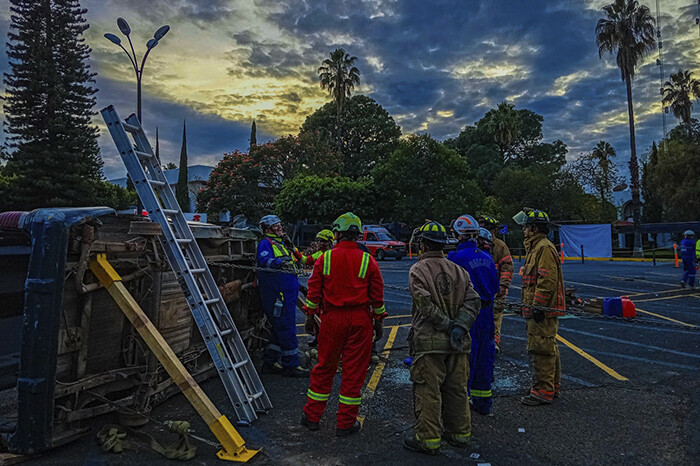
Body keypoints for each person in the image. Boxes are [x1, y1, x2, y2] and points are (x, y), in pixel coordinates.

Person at [301, 212, 386, 437]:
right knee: (353, 371)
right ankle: (345, 423)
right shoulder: (368, 260)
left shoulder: (325, 258)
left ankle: (312, 417)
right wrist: (378, 322)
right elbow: (377, 296)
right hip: (360, 320)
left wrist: (310, 316)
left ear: (337, 233)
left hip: (331, 320)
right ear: (357, 236)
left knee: (324, 367)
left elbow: (314, 290)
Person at [404, 221, 481, 455]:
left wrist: (447, 325)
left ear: (424, 245)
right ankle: (459, 434)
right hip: (458, 344)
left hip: (430, 343)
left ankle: (428, 439)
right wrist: (460, 327)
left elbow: (424, 305)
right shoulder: (459, 270)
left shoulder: (418, 270)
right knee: (457, 389)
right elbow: (473, 301)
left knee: (429, 390)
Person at [448, 215, 499, 416]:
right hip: (487, 313)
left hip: (467, 315)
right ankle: (483, 402)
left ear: (458, 235)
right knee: (485, 358)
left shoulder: (454, 259)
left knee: (464, 361)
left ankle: (460, 408)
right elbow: (494, 287)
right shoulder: (487, 258)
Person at [512, 209, 564, 405]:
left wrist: (538, 306)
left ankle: (543, 391)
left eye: (526, 226)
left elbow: (546, 280)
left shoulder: (543, 248)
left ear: (534, 228)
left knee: (541, 348)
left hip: (542, 310)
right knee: (548, 347)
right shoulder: (536, 248)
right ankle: (551, 387)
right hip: (538, 308)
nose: (524, 230)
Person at [256, 215, 309, 377]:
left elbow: (291, 267)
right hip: (278, 296)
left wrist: (298, 286)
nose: (280, 228)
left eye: (280, 225)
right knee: (286, 327)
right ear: (267, 229)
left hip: (287, 293)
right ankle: (291, 365)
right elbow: (265, 261)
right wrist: (280, 263)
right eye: (276, 226)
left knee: (280, 329)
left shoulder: (282, 244)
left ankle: (270, 362)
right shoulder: (266, 243)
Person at [478, 216, 513, 354]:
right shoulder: (476, 244)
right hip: (481, 289)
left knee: (495, 317)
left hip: (496, 290)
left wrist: (503, 286)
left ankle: (494, 342)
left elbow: (507, 266)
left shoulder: (500, 246)